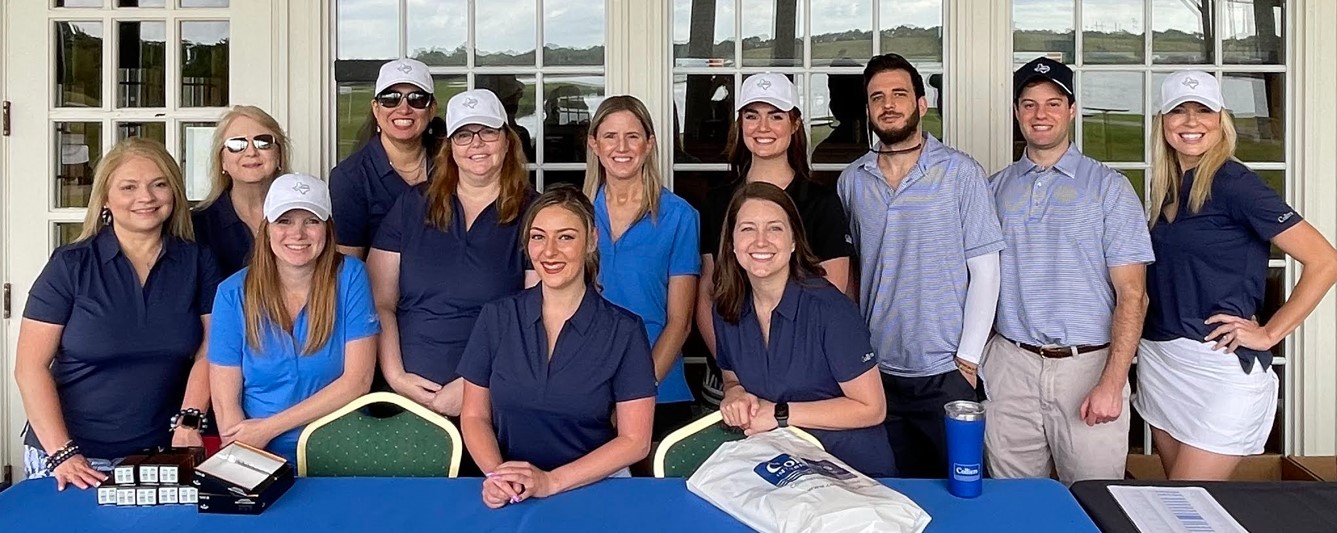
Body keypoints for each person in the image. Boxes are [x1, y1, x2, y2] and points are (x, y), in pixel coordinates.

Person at [1138, 71, 1337, 480]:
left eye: (1203, 111)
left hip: (1217, 366)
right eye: (1179, 111)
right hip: (1163, 361)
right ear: (1163, 121)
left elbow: (1324, 260)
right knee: (1185, 510)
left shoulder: (1235, 184)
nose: (1191, 122)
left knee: (1186, 500)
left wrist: (1268, 334)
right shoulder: (1168, 187)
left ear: (1221, 120)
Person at [984, 58, 1153, 484]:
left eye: (1053, 103)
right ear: (1017, 111)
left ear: (1072, 109)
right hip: (1011, 365)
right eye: (1029, 104)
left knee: (1094, 500)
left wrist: (1113, 382)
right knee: (1014, 503)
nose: (1041, 115)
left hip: (1088, 366)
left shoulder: (1108, 187)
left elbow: (1134, 294)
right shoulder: (995, 188)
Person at [15, 138, 218, 489]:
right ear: (106, 198)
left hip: (157, 454)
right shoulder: (70, 265)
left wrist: (190, 421)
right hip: (71, 455)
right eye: (129, 187)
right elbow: (29, 368)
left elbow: (211, 350)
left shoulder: (197, 261)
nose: (146, 197)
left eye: (159, 184)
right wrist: (63, 453)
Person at [836, 53, 1003, 478]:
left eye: (898, 94)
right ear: (868, 109)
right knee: (888, 494)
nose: (888, 105)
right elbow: (853, 271)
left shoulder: (961, 173)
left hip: (944, 371)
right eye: (877, 97)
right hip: (875, 372)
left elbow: (985, 269)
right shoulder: (853, 180)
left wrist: (967, 361)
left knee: (959, 492)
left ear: (921, 103)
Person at [458, 184, 656, 508]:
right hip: (513, 495)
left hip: (597, 490)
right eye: (538, 237)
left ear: (591, 240)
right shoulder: (496, 317)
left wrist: (550, 482)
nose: (549, 252)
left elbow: (635, 441)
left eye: (566, 237)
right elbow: (474, 415)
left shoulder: (625, 330)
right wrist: (500, 477)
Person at [368, 88, 535, 418]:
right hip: (403, 395)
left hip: (495, 392)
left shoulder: (534, 212)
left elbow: (536, 315)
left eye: (487, 131)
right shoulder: (413, 206)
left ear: (507, 140)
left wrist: (475, 384)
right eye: (463, 135)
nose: (476, 144)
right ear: (450, 147)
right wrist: (397, 377)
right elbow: (380, 301)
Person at [714, 182, 893, 477]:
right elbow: (732, 377)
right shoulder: (727, 309)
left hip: (854, 476)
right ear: (731, 242)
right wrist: (734, 394)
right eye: (747, 229)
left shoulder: (830, 310)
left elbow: (872, 408)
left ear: (794, 240)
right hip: (781, 473)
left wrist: (780, 414)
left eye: (774, 228)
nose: (761, 241)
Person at [697, 72, 854, 407]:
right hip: (733, 384)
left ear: (795, 124)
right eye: (752, 116)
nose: (762, 127)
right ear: (739, 124)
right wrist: (734, 374)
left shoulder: (820, 203)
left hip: (805, 384)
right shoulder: (717, 202)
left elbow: (833, 294)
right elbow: (708, 293)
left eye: (776, 116)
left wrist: (777, 374)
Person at [208, 173, 380, 464]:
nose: (297, 234)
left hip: (339, 449)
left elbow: (358, 381)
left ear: (327, 228)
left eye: (311, 221)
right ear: (266, 229)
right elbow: (227, 408)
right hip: (257, 453)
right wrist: (248, 456)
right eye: (284, 221)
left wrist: (268, 428)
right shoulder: (231, 294)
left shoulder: (351, 276)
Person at [583, 96, 700, 439]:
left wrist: (636, 393)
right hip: (586, 389)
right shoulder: (575, 215)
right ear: (594, 144)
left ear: (649, 144)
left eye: (633, 136)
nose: (622, 147)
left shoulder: (679, 216)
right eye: (610, 136)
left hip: (659, 388)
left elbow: (681, 322)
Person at [331, 58, 443, 259]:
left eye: (417, 98)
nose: (404, 108)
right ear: (376, 108)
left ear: (432, 109)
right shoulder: (350, 178)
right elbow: (349, 265)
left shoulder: (453, 164)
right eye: (391, 98)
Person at [193, 105, 291, 277]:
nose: (251, 152)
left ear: (279, 154)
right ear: (222, 160)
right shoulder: (197, 226)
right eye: (237, 144)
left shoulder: (307, 216)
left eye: (264, 142)